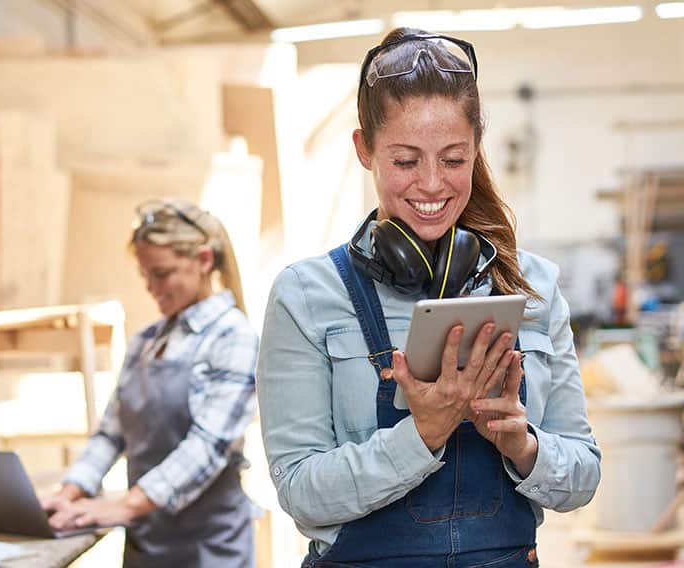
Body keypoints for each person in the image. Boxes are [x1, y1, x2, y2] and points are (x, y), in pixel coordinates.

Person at [256, 28, 601, 566]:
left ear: (476, 151)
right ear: (364, 150)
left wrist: (522, 443)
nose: (433, 184)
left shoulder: (532, 287)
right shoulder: (306, 296)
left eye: (454, 159)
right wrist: (421, 435)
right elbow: (300, 491)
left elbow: (582, 475)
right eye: (406, 160)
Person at [43, 199, 259, 567]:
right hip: (147, 542)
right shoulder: (146, 341)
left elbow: (207, 446)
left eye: (161, 273)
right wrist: (71, 490)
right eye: (145, 275)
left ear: (204, 260)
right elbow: (111, 432)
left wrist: (124, 505)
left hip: (208, 548)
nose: (150, 287)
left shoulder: (233, 337)